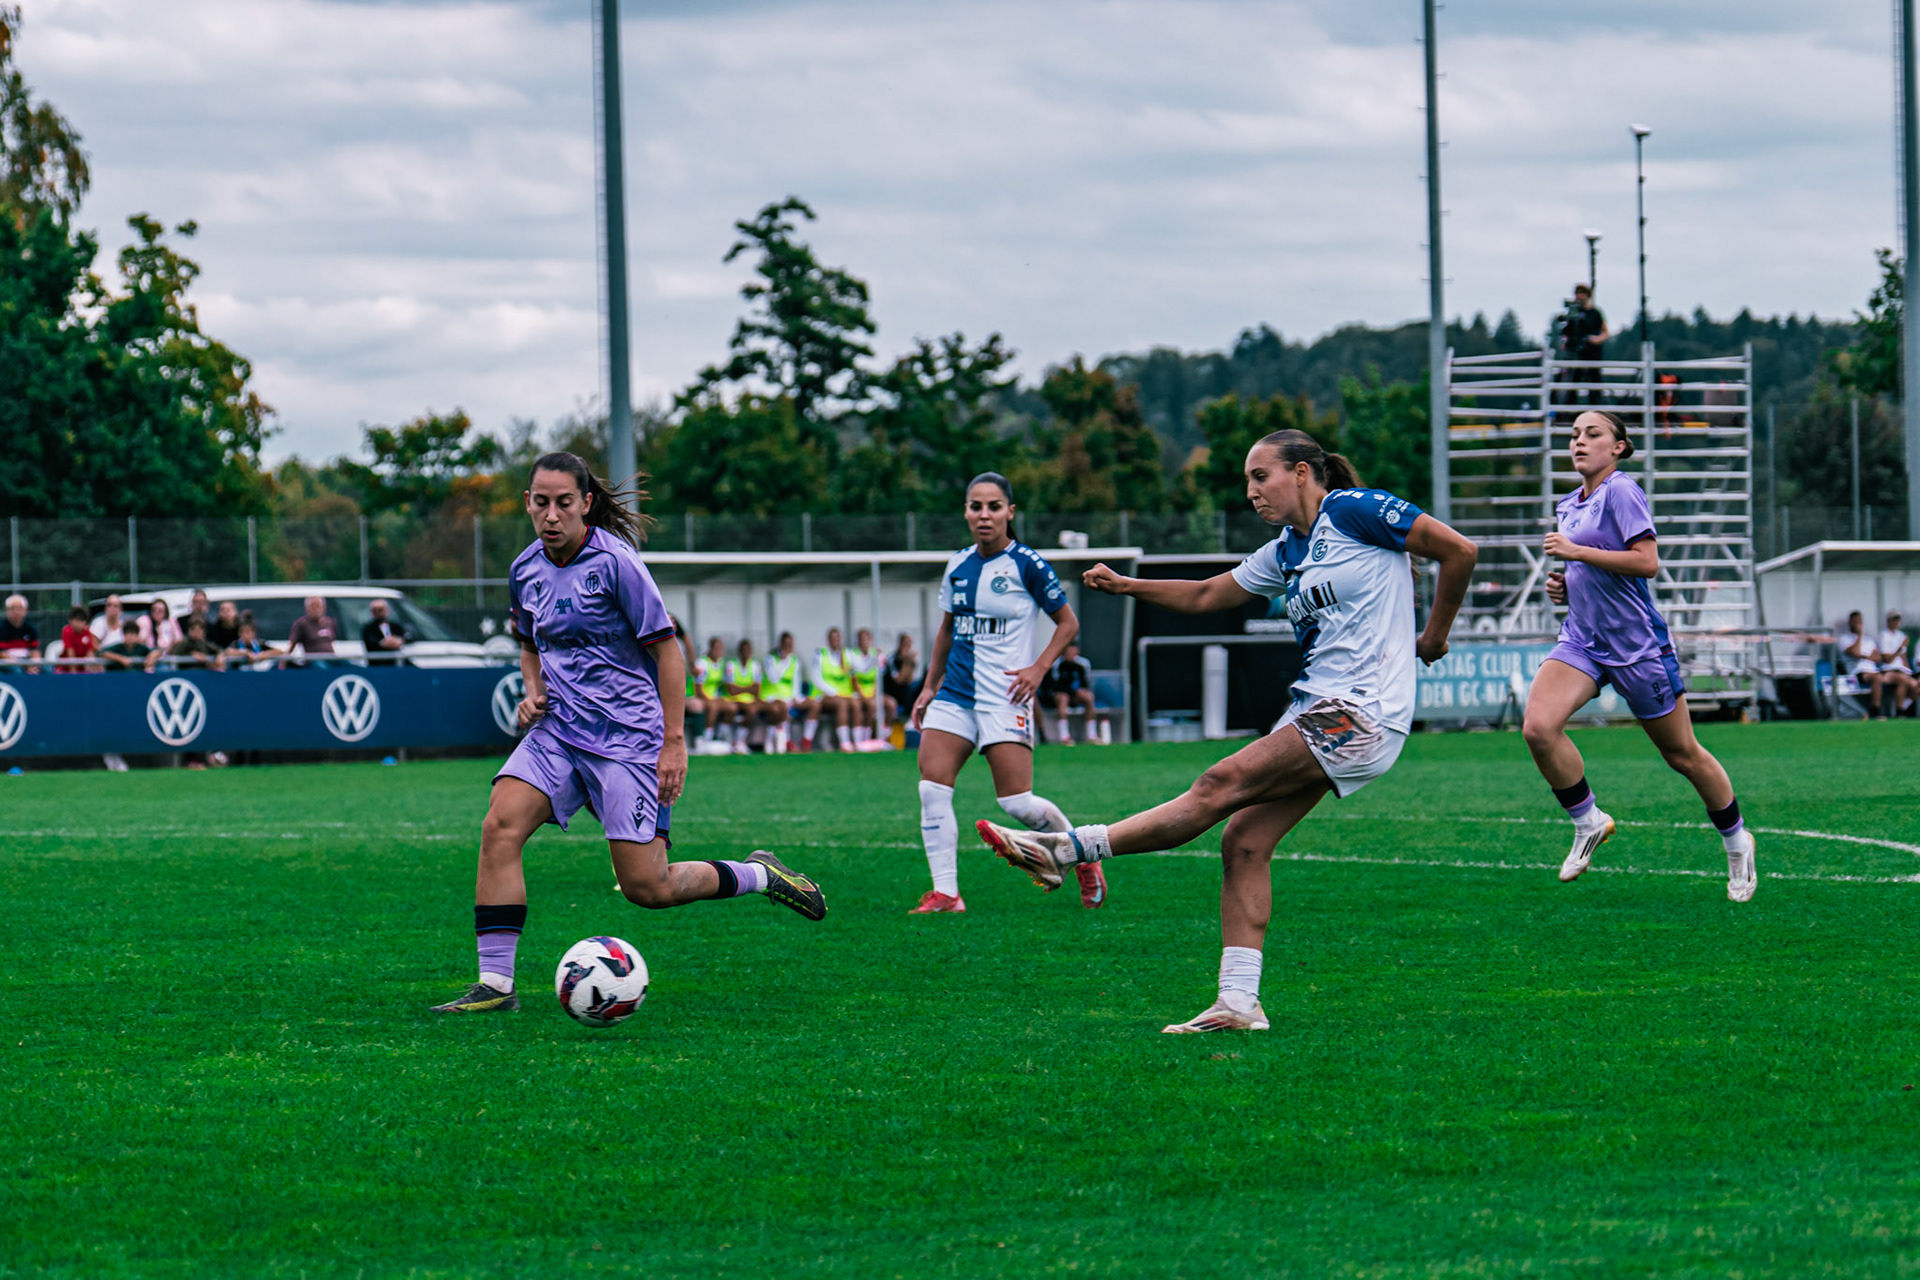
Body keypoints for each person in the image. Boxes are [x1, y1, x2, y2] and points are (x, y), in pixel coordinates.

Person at [978, 431, 1478, 1032]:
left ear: (1300, 473)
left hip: (1362, 711)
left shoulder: (1355, 510)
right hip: (1316, 710)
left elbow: (1460, 551)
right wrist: (1129, 586)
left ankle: (1066, 849)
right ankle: (1238, 1002)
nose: (1251, 492)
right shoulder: (1286, 549)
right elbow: (1210, 593)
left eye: (1260, 477)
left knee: (1221, 781)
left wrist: (1436, 635)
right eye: (1247, 481)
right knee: (1242, 840)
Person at [431, 451, 825, 1014]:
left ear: (586, 503)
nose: (551, 514)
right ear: (527, 503)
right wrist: (531, 688)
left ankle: (760, 874)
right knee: (499, 826)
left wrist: (673, 742)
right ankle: (496, 986)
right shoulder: (524, 569)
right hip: (560, 732)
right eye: (540, 502)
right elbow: (528, 643)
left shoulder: (617, 564)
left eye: (564, 503)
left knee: (648, 887)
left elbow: (668, 652)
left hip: (628, 741)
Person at [1521, 410, 1758, 900]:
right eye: (1574, 436)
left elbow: (1646, 562)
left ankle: (1737, 842)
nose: (1580, 442)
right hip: (1583, 641)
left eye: (1593, 434)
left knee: (1682, 754)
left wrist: (1577, 556)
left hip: (1637, 648)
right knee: (1538, 727)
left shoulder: (1622, 491)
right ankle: (1588, 821)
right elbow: (1588, 568)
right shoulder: (1569, 504)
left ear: (1619, 447)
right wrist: (1563, 586)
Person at [910, 473, 1097, 913]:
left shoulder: (1028, 564)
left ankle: (1082, 855)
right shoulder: (957, 564)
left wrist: (1038, 668)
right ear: (966, 512)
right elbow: (947, 629)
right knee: (931, 789)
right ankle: (947, 894)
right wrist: (929, 686)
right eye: (976, 506)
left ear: (1010, 513)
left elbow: (1067, 623)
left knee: (1016, 802)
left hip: (1005, 697)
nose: (984, 515)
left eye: (994, 507)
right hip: (955, 695)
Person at [1041, 641, 1106, 745]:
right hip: (1059, 695)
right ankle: (1065, 736)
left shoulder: (1083, 664)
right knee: (1063, 698)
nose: (1070, 653)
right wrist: (1070, 691)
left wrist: (1080, 690)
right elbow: (1052, 685)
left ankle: (1092, 735)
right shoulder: (1056, 664)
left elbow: (1085, 683)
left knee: (1089, 697)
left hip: (1074, 695)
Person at [806, 627, 858, 752]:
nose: (835, 641)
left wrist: (874, 659)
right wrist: (832, 692)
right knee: (841, 704)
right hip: (823, 695)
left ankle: (859, 741)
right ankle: (844, 742)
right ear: (828, 640)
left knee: (857, 704)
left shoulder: (847, 654)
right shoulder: (820, 654)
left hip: (844, 694)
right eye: (832, 638)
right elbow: (816, 678)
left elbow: (859, 668)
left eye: (837, 638)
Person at [1558, 283, 1609, 406]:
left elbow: (1605, 332)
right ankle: (1570, 409)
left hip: (1592, 352)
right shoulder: (1573, 313)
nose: (1579, 296)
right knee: (1574, 379)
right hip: (1576, 353)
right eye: (1577, 293)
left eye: (1582, 293)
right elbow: (1567, 331)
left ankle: (1596, 407)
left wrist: (1596, 339)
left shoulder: (1595, 313)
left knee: (1594, 382)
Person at [759, 631, 803, 755]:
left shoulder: (795, 661)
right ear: (780, 644)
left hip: (787, 696)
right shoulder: (770, 659)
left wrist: (795, 697)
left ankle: (785, 741)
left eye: (790, 645)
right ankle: (778, 741)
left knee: (811, 705)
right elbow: (774, 678)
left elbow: (796, 681)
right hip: (770, 695)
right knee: (780, 707)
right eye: (786, 644)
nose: (788, 648)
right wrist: (783, 661)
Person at [1843, 611, 1889, 717]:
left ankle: (1899, 712)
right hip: (1856, 673)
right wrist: (1859, 636)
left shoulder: (1869, 640)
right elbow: (1855, 652)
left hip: (1873, 671)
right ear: (1850, 623)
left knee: (1883, 678)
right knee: (1878, 678)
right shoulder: (1844, 638)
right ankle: (1875, 711)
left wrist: (1864, 656)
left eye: (1859, 621)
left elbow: (1878, 657)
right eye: (1855, 621)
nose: (1857, 624)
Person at [721, 637, 762, 754]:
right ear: (739, 651)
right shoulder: (731, 665)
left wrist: (740, 688)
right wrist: (748, 688)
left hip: (748, 700)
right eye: (743, 650)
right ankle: (727, 741)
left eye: (748, 650)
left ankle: (740, 741)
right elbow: (731, 690)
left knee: (751, 711)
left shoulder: (755, 666)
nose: (746, 653)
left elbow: (756, 690)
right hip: (732, 699)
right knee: (730, 710)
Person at [692, 635, 730, 751]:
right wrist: (711, 700)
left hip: (713, 697)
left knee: (732, 707)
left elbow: (720, 685)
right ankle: (706, 740)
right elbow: (698, 689)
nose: (719, 651)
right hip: (696, 696)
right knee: (713, 707)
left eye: (721, 648)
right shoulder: (702, 663)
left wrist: (721, 698)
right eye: (717, 648)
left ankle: (721, 736)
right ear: (710, 649)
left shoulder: (721, 663)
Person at [848, 627, 884, 746]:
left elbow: (878, 679)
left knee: (890, 704)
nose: (864, 641)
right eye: (861, 639)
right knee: (862, 706)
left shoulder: (876, 655)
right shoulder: (852, 655)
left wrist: (874, 693)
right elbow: (857, 674)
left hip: (872, 692)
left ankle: (883, 738)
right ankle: (860, 740)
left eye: (866, 638)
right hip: (857, 693)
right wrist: (863, 696)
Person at [1876, 610, 1915, 717]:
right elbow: (1887, 659)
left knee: (1915, 685)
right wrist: (1900, 648)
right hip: (1887, 671)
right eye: (1894, 619)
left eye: (1898, 619)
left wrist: (1908, 670)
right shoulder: (1884, 635)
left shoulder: (1901, 635)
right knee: (1902, 680)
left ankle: (1905, 706)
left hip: (1900, 670)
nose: (1896, 622)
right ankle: (1899, 711)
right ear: (1888, 621)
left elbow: (1903, 657)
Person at [881, 631, 922, 726]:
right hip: (890, 691)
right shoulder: (892, 659)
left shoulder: (910, 660)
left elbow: (909, 680)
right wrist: (906, 662)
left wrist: (911, 664)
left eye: (909, 645)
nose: (908, 648)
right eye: (905, 645)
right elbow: (899, 680)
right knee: (892, 704)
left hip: (903, 692)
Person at [286, 596, 339, 666]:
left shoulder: (330, 622)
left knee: (350, 665)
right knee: (322, 668)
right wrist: (284, 660)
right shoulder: (302, 624)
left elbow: (332, 640)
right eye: (313, 607)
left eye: (318, 606)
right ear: (307, 608)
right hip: (314, 660)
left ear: (324, 608)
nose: (316, 609)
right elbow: (292, 645)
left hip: (331, 658)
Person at [361, 598, 410, 667]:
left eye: (380, 610)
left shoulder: (396, 626)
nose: (378, 613)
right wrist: (384, 643)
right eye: (375, 611)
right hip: (378, 664)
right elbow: (370, 642)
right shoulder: (368, 628)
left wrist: (398, 641)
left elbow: (405, 637)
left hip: (396, 663)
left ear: (387, 610)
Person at [0, 594, 40, 673]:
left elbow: (35, 651)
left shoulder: (30, 628)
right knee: (17, 671)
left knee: (47, 669)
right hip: (8, 663)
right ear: (7, 610)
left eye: (19, 608)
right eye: (13, 609)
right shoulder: (1, 628)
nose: (16, 612)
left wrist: (34, 665)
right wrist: (23, 666)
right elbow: (2, 654)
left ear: (25, 610)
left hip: (26, 661)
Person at [58, 606, 99, 673]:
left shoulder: (87, 632)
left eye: (82, 621)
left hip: (81, 669)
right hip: (65, 669)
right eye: (77, 621)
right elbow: (70, 653)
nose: (79, 624)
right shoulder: (66, 631)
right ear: (70, 621)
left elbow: (90, 652)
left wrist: (92, 670)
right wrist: (74, 674)